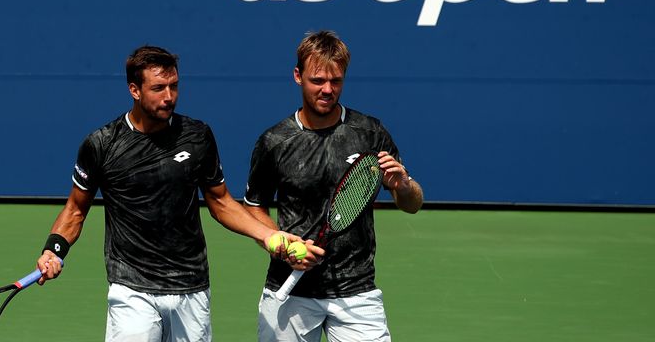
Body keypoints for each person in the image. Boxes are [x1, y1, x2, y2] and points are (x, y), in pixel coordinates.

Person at [35, 45, 297, 342]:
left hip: (191, 286)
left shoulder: (197, 135)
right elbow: (76, 209)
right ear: (135, 90)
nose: (169, 96)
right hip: (131, 288)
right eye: (158, 88)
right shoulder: (101, 144)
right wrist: (53, 249)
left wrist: (268, 235)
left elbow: (221, 201)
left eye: (174, 86)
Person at [243, 30, 424, 341]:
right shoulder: (274, 141)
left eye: (336, 81)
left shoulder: (369, 132)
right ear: (298, 76)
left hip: (356, 292)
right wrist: (283, 246)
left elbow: (412, 204)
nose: (327, 89)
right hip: (290, 290)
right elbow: (253, 205)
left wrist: (404, 185)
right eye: (317, 80)